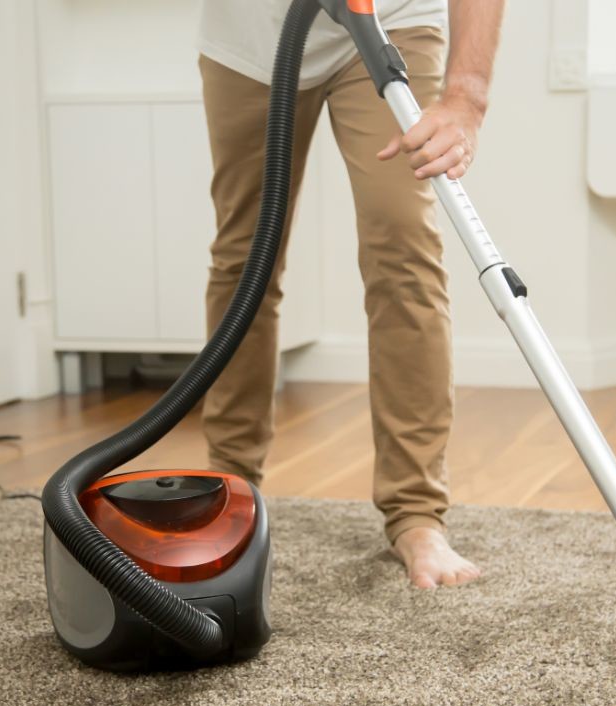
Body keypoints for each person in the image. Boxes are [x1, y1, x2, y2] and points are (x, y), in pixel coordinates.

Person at [196, 0, 504, 588]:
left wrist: (466, 98)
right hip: (249, 41)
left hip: (387, 20)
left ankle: (416, 513)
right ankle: (228, 489)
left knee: (402, 244)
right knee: (246, 257)